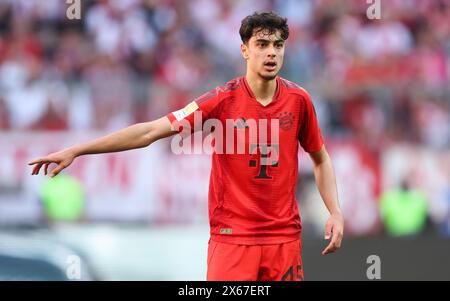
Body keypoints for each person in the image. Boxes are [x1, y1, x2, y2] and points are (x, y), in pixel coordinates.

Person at [28, 12, 343, 281]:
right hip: (233, 242)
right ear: (245, 50)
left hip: (283, 242)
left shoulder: (299, 101)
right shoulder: (222, 100)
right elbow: (150, 131)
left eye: (278, 45)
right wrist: (78, 149)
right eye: (262, 45)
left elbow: (320, 159)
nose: (271, 53)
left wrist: (335, 211)